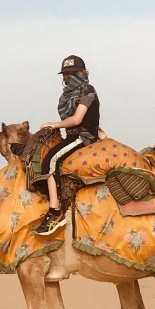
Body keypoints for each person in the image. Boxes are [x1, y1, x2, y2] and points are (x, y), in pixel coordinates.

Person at [33, 55, 100, 235]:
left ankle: (55, 212)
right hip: (72, 135)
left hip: (81, 136)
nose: (67, 77)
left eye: (71, 73)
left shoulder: (87, 90)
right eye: (65, 74)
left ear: (82, 73)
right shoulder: (68, 95)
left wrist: (54, 124)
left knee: (50, 160)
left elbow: (78, 119)